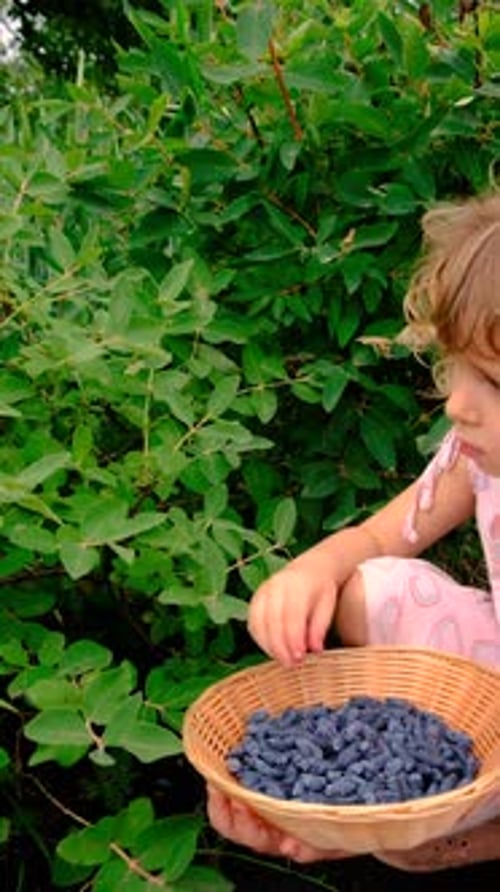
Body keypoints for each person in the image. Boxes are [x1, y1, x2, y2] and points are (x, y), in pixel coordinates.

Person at [207, 190, 500, 871]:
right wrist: (308, 571)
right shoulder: (477, 459)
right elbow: (371, 540)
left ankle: (459, 840)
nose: (457, 402)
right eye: (454, 364)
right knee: (370, 588)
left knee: (414, 852)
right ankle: (433, 802)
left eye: (490, 380)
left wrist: (438, 846)